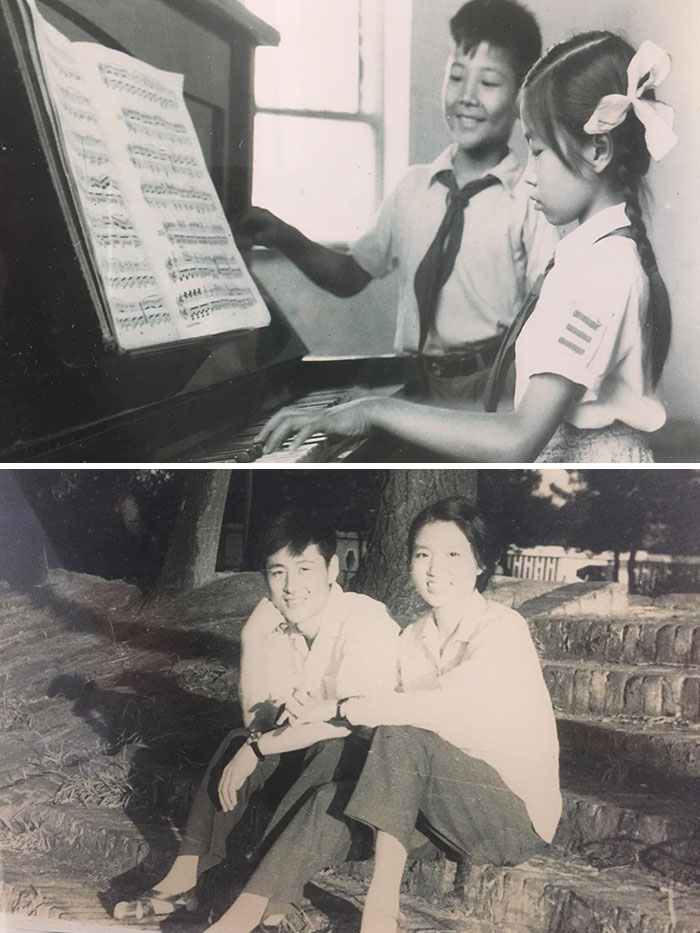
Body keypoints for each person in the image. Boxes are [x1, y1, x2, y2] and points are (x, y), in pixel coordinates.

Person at [257, 33, 677, 464]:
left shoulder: (602, 271)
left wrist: (375, 408)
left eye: (537, 151)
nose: (530, 175)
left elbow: (519, 437)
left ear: (599, 149)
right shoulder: (592, 255)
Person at [211, 497, 561, 933]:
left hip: (510, 817)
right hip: (436, 812)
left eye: (453, 554)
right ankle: (239, 919)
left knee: (403, 733)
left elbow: (438, 709)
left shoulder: (502, 629)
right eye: (422, 555)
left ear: (480, 562)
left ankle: (379, 915)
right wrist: (300, 716)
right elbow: (372, 711)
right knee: (329, 800)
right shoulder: (412, 639)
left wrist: (339, 707)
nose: (435, 569)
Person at [238, 0, 557, 413]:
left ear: (520, 99)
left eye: (489, 83)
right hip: (415, 381)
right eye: (456, 76)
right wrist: (285, 238)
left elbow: (543, 314)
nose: (466, 97)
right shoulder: (412, 189)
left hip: (494, 387)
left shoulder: (531, 197)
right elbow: (350, 275)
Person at [112, 508, 398, 923]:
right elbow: (256, 723)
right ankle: (183, 877)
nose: (291, 586)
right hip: (308, 761)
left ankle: (265, 903)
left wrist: (259, 748)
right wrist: (250, 641)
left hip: (364, 780)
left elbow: (351, 721)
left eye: (304, 569)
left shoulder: (365, 621)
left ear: (332, 569)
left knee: (328, 748)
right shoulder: (281, 629)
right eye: (278, 572)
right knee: (236, 742)